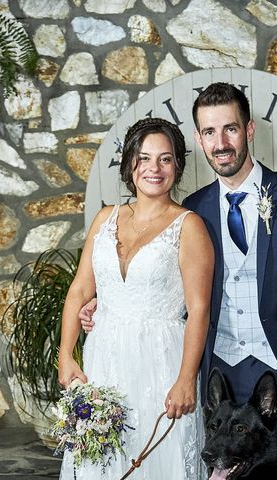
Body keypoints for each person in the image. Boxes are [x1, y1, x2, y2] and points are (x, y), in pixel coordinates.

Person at [81, 83, 277, 478]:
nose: (220, 142)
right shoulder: (191, 212)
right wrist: (103, 304)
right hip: (221, 377)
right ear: (198, 138)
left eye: (230, 129)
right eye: (209, 132)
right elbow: (163, 283)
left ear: (250, 130)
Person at [57, 117, 214, 480]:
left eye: (165, 159)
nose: (154, 169)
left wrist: (186, 378)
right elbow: (80, 290)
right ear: (130, 163)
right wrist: (66, 355)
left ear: (177, 165)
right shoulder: (103, 219)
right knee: (100, 462)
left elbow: (199, 309)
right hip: (104, 360)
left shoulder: (189, 226)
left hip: (161, 363)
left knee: (156, 460)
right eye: (144, 158)